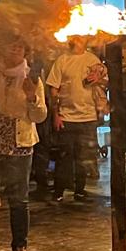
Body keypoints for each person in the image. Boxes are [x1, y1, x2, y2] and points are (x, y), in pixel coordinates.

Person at [0, 37, 47, 251]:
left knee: (18, 199)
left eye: (20, 46)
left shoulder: (31, 77)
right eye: (11, 44)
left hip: (20, 140)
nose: (15, 49)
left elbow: (40, 116)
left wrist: (32, 97)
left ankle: (19, 248)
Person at [46, 32, 106, 203]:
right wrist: (56, 115)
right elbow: (53, 89)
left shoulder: (92, 59)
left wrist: (98, 78)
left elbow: (105, 82)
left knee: (83, 157)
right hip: (67, 117)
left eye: (82, 37)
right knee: (64, 157)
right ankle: (59, 190)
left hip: (87, 116)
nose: (79, 40)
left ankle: (80, 190)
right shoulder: (62, 60)